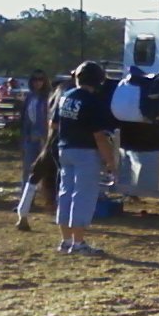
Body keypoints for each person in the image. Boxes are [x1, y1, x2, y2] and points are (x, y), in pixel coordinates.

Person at [54, 61, 117, 256]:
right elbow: (99, 136)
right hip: (85, 152)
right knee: (83, 196)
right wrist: (110, 161)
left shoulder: (66, 97)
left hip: (65, 149)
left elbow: (54, 124)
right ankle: (79, 242)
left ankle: (65, 241)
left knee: (65, 193)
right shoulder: (93, 102)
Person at [18, 70, 51, 183]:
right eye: (35, 79)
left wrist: (44, 137)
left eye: (40, 79)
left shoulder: (49, 97)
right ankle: (26, 198)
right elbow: (24, 119)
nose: (37, 82)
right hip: (29, 137)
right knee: (28, 169)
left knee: (46, 170)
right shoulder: (29, 97)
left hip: (45, 138)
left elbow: (50, 118)